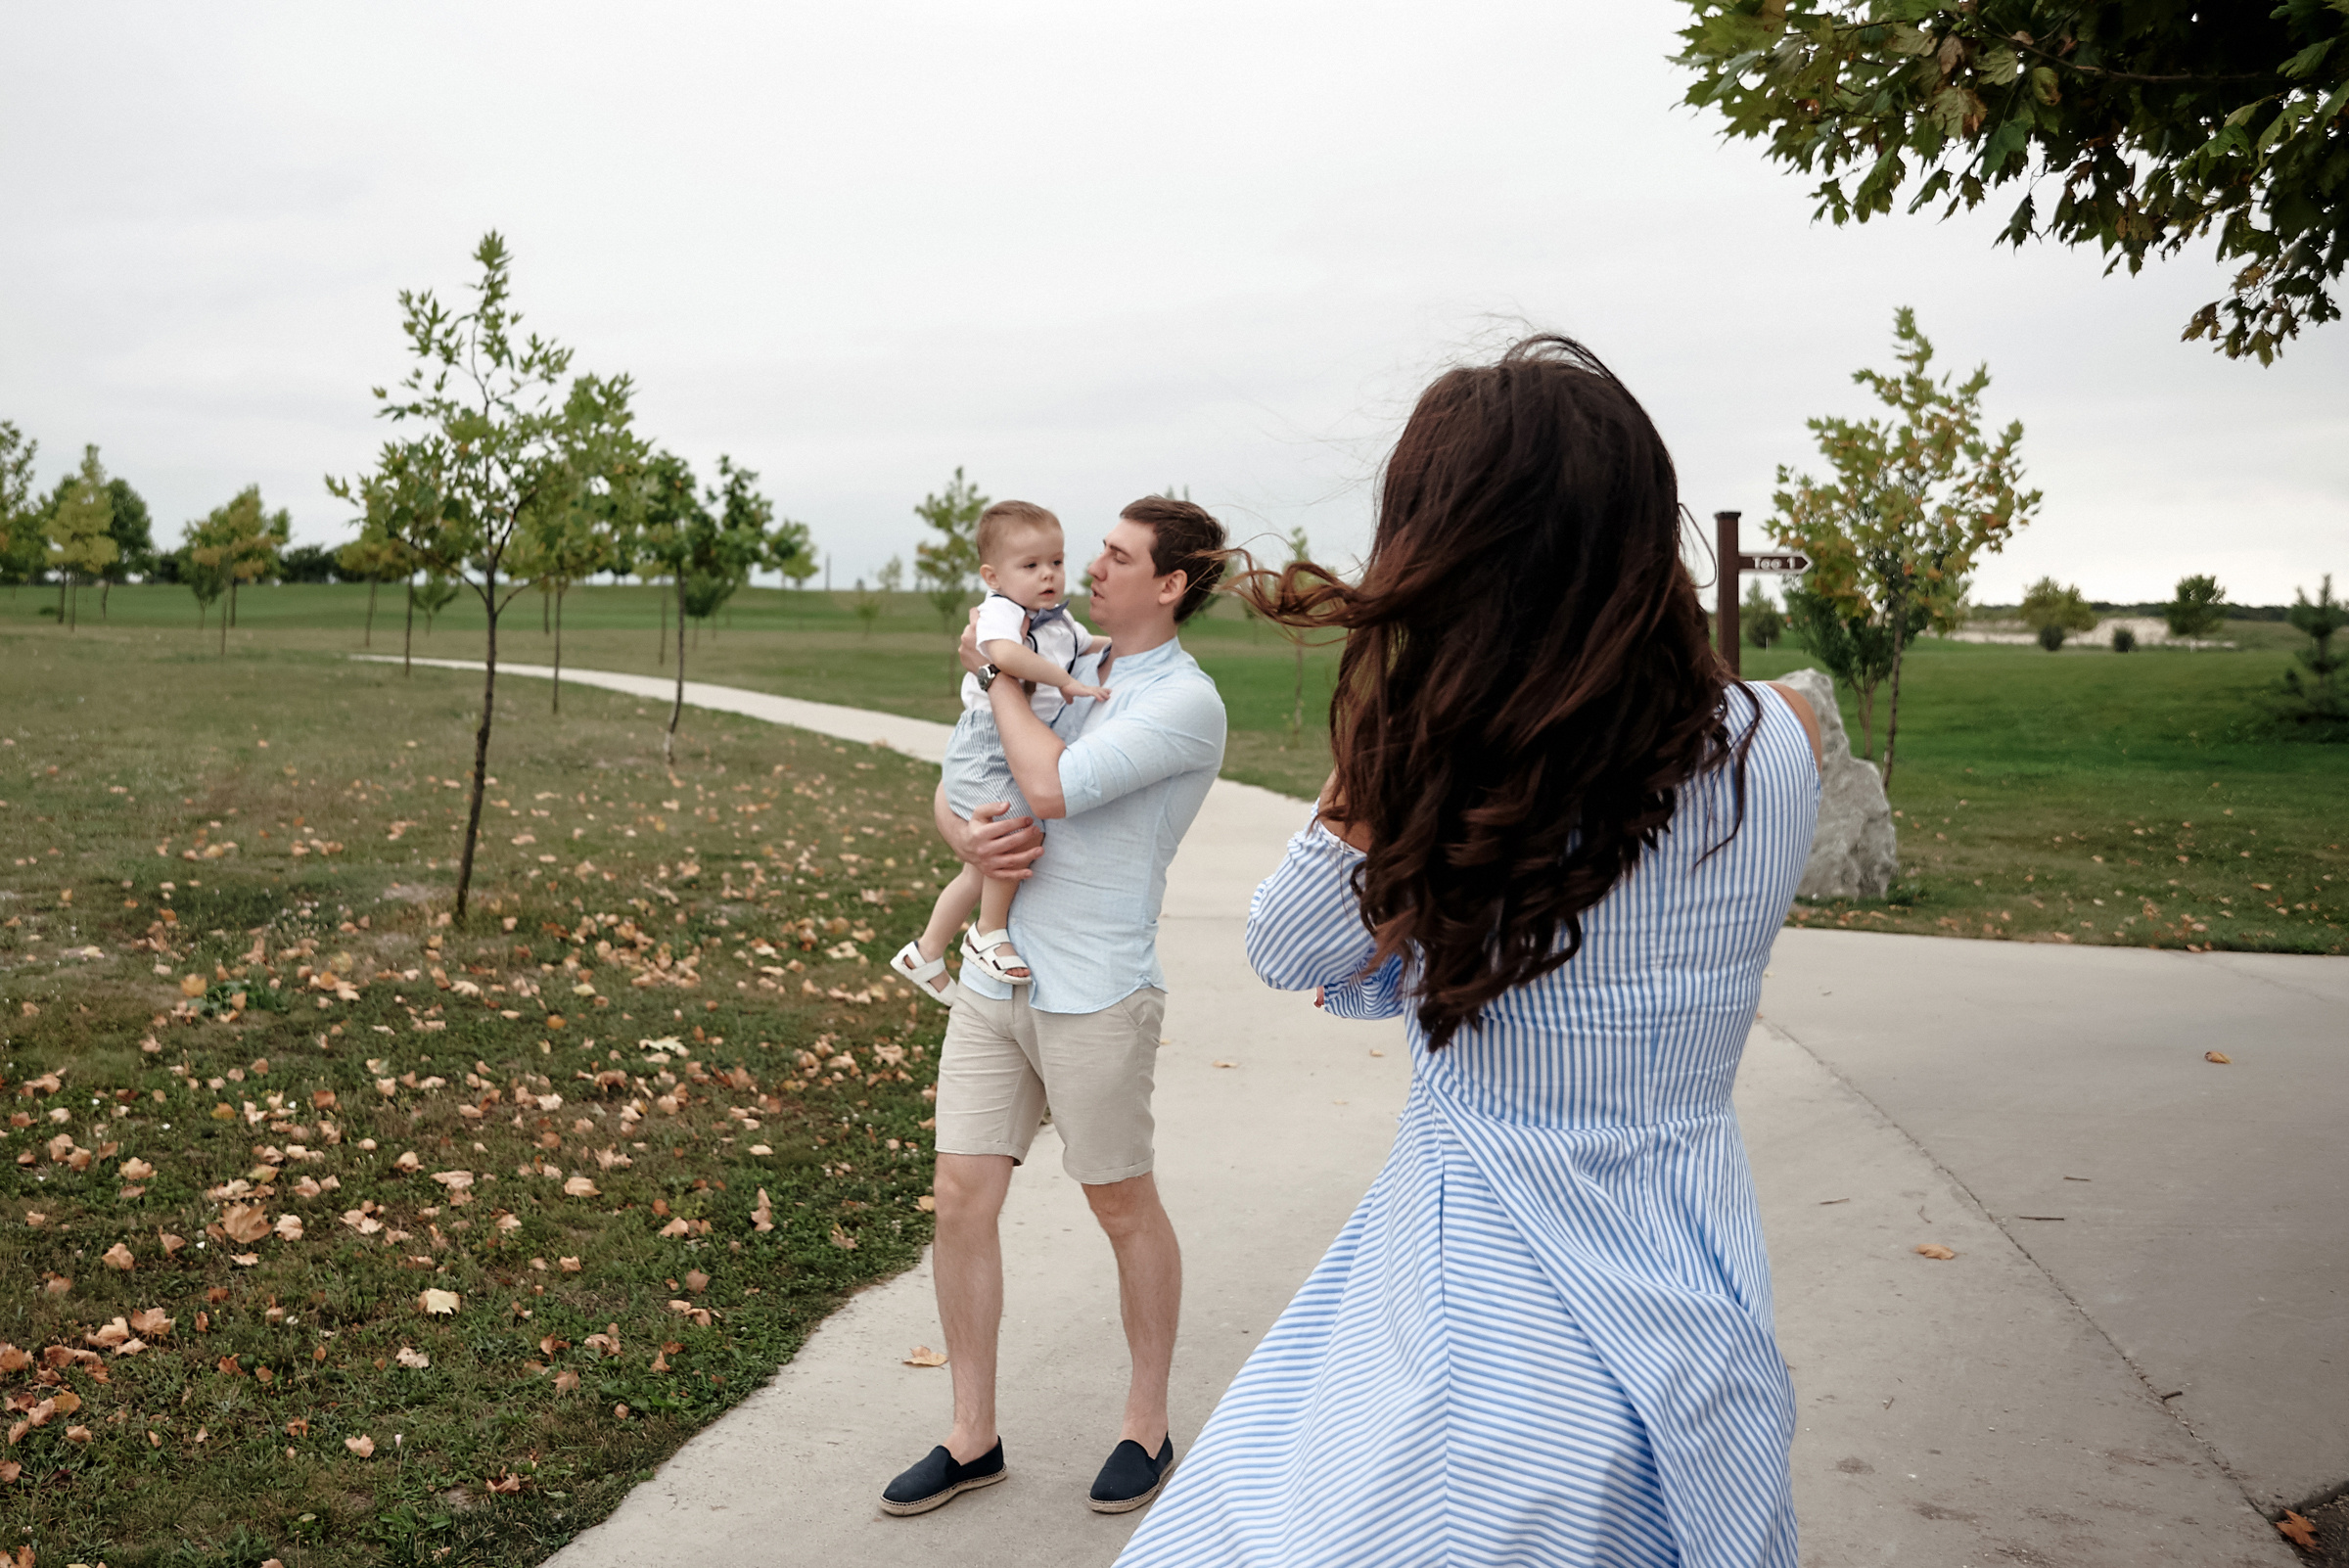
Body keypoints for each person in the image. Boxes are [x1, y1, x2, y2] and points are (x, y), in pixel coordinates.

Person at [1114, 338, 1826, 1568]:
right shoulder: (1781, 741)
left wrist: (1400, 741)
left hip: (1479, 1332)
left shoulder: (1454, 767)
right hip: (1698, 1285)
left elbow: (1289, 945)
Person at [880, 495, 1230, 1519]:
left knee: (1120, 1205)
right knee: (958, 1199)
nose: (1091, 572)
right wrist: (962, 841)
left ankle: (1147, 1426)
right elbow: (969, 789)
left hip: (1097, 991)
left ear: (1169, 585)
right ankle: (971, 1434)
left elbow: (1048, 782)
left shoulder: (1180, 702)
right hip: (998, 977)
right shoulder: (1063, 658)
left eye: (1117, 558)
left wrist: (995, 671)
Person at [891, 500, 1110, 1001]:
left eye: (1056, 562)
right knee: (1014, 832)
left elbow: (1088, 644)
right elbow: (1005, 655)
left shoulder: (1056, 620)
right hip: (986, 744)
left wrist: (1121, 646)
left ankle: (923, 952)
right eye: (1030, 566)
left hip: (1013, 740)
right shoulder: (1002, 612)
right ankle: (988, 933)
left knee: (980, 865)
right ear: (993, 575)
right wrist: (1065, 683)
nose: (1048, 575)